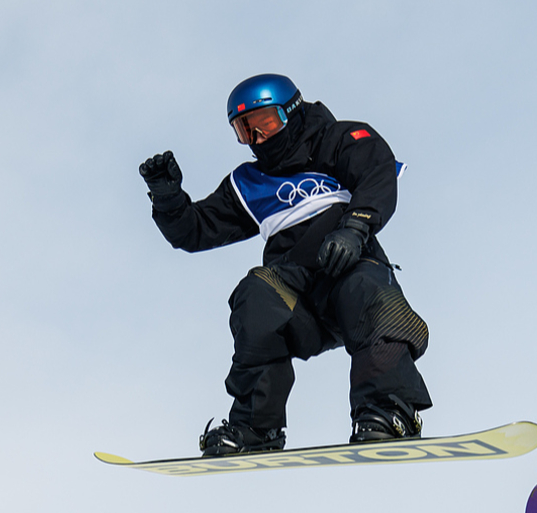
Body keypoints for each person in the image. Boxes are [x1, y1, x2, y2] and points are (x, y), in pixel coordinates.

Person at [139, 74, 433, 457]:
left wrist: (356, 227)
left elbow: (376, 172)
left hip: (348, 266)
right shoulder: (248, 183)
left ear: (292, 113)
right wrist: (168, 200)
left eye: (266, 123)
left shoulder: (338, 141)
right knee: (256, 295)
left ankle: (388, 410)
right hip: (296, 294)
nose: (259, 138)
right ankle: (256, 427)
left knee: (369, 292)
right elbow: (195, 231)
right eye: (246, 130)